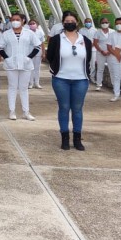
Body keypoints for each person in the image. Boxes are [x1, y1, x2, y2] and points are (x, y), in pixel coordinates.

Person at [47, 13, 92, 151]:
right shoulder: (56, 39)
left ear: (77, 22)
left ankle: (77, 138)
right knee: (64, 107)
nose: (70, 23)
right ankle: (64, 137)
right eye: (67, 21)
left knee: (77, 109)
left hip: (80, 79)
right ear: (63, 23)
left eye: (72, 21)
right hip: (61, 79)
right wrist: (55, 70)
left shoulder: (85, 40)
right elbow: (50, 56)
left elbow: (88, 58)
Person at [0, 13, 41, 121]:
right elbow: (0, 47)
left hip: (26, 64)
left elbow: (37, 46)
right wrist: (7, 58)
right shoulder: (6, 34)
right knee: (12, 87)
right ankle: (12, 111)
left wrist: (29, 57)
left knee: (24, 88)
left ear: (23, 21)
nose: (15, 21)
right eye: (13, 19)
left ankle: (26, 112)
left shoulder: (29, 33)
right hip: (11, 64)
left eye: (17, 19)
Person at [106, 17, 121, 103]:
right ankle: (116, 94)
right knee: (116, 77)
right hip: (114, 58)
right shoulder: (112, 34)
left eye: (120, 23)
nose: (119, 25)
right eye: (117, 24)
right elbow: (109, 47)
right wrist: (117, 55)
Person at [28, 19, 45, 89]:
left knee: (37, 68)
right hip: (30, 52)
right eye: (31, 24)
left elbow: (42, 43)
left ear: (37, 25)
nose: (32, 25)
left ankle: (37, 83)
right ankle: (30, 83)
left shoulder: (40, 32)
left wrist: (43, 53)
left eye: (33, 23)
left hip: (38, 52)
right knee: (30, 68)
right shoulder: (27, 33)